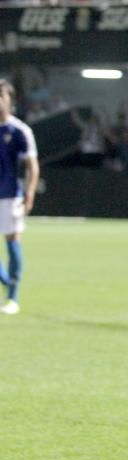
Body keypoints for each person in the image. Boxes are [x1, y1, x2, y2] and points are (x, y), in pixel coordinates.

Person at [0, 79, 39, 315]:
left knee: (12, 242)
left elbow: (32, 165)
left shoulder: (20, 130)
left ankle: (13, 298)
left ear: (10, 100)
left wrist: (30, 193)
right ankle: (7, 282)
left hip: (10, 196)